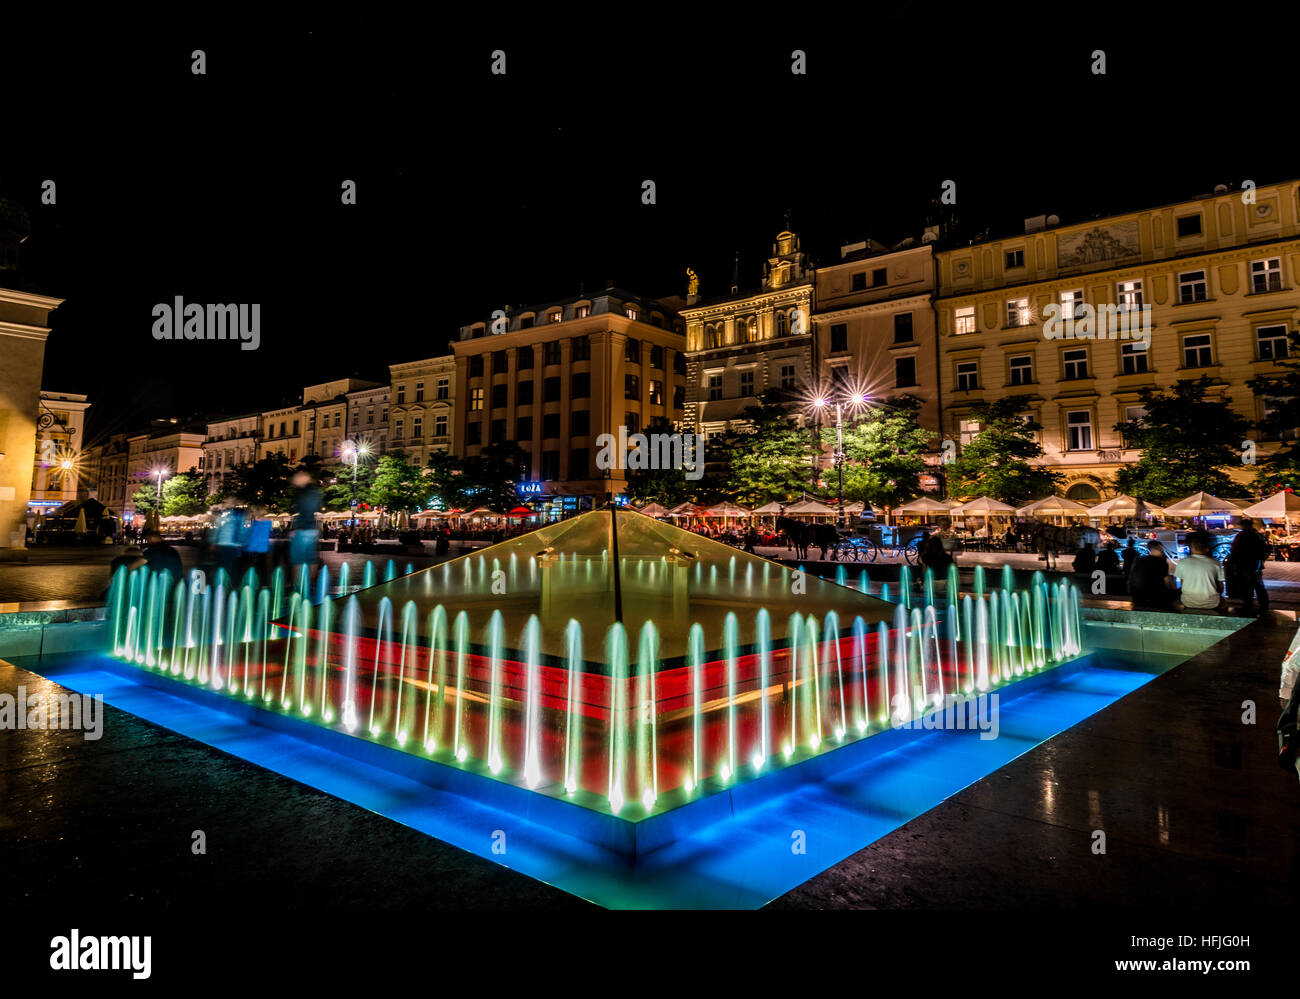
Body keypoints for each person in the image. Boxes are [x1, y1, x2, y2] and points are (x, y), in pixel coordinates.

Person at [1174, 530, 1227, 613]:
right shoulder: (1216, 563)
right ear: (1207, 548)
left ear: (1191, 548)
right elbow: (1221, 588)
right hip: (1212, 603)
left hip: (1188, 602)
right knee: (1224, 602)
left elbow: (1183, 584)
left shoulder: (1182, 562)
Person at [1228, 516, 1270, 615]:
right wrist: (1261, 561)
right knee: (1258, 586)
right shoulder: (1256, 536)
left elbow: (1235, 550)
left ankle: (1248, 605)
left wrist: (1233, 562)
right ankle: (1263, 605)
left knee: (1246, 587)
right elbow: (1264, 550)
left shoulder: (1240, 536)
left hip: (1243, 564)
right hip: (1254, 564)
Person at [1128, 539, 1175, 610]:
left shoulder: (1139, 560)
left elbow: (1131, 578)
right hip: (1155, 596)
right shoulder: (1161, 562)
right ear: (1160, 548)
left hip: (1138, 596)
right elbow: (1167, 582)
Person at [288, 470, 322, 568]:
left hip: (301, 531)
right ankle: (310, 583)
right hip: (312, 531)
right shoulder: (315, 491)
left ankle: (298, 583)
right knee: (311, 560)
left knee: (297, 561)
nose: (294, 480)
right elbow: (316, 510)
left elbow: (304, 510)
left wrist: (296, 528)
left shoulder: (303, 492)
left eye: (297, 477)